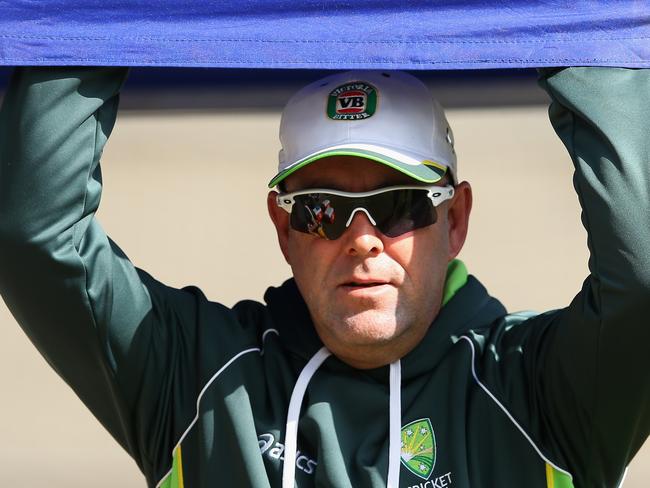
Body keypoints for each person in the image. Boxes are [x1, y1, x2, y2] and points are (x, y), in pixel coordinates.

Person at [0, 66, 648, 488]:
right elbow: (34, 235)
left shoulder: (543, 391)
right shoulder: (198, 377)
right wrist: (90, 30)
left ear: (456, 221)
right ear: (284, 230)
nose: (362, 238)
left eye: (399, 204)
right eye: (323, 212)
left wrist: (580, 43)